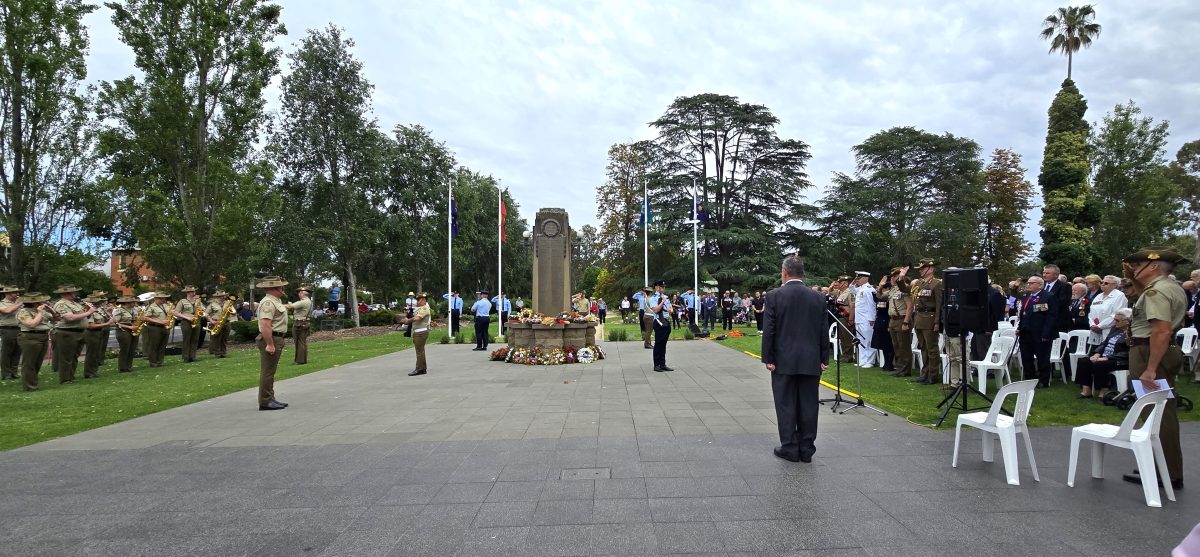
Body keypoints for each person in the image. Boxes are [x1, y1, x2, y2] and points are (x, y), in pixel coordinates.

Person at [1120, 247, 1188, 490]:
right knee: (1158, 412)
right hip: (1155, 351)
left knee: (1157, 413)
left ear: (1154, 266)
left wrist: (1150, 368)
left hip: (1149, 352)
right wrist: (1134, 277)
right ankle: (1161, 465)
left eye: (1138, 266)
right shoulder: (1167, 287)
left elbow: (1161, 330)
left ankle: (1168, 472)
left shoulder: (1156, 291)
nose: (1133, 270)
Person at [761, 254, 828, 463]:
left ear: (784, 272)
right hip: (811, 359)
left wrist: (768, 358)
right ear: (802, 274)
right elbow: (823, 331)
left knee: (785, 403)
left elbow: (769, 330)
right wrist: (823, 357)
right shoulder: (818, 297)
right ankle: (807, 448)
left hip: (784, 359)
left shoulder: (774, 296)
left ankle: (790, 446)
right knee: (809, 404)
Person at [1075, 308, 1130, 399]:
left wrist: (1108, 357)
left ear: (1127, 321)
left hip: (1119, 360)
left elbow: (1127, 352)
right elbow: (1104, 343)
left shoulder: (1131, 333)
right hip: (1104, 356)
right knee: (1083, 361)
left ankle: (1104, 390)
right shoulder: (1115, 329)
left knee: (1100, 364)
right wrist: (1097, 353)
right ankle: (1086, 389)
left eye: (1117, 320)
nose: (1114, 322)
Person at [1016, 276, 1058, 388]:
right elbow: (1023, 314)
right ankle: (1030, 378)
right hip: (1026, 332)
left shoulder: (1048, 296)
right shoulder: (1026, 296)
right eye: (1028, 282)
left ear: (1039, 285)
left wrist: (1046, 333)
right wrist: (1020, 328)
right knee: (1026, 357)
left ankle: (1043, 380)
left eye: (1031, 283)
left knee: (1042, 358)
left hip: (1040, 333)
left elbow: (1051, 316)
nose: (1028, 285)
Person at [255, 276, 290, 411]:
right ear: (273, 288)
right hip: (271, 338)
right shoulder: (268, 302)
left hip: (276, 338)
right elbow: (265, 324)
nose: (283, 289)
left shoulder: (276, 301)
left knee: (270, 371)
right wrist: (269, 344)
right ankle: (265, 401)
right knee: (268, 372)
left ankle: (270, 398)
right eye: (281, 287)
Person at [906, 261, 942, 384]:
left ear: (931, 269)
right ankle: (925, 373)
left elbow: (939, 305)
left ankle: (933, 375)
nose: (920, 271)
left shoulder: (937, 284)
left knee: (932, 349)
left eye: (923, 268)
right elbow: (905, 289)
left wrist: (937, 321)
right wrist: (901, 278)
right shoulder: (919, 283)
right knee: (923, 348)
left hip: (930, 318)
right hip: (919, 318)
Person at [52, 284, 94, 384]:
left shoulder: (76, 304)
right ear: (66, 294)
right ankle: (65, 379)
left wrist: (89, 311)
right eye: (73, 292)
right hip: (68, 332)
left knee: (74, 356)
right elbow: (69, 318)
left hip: (78, 332)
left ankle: (71, 376)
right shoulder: (61, 304)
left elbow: (82, 317)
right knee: (66, 357)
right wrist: (89, 312)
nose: (75, 294)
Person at [17, 292, 55, 391]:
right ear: (35, 302)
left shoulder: (41, 310)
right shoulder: (24, 312)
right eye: (41, 300)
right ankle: (29, 386)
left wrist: (51, 310)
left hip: (43, 336)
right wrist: (39, 312)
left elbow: (57, 318)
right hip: (30, 337)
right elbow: (32, 324)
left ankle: (32, 382)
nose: (43, 302)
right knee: (29, 363)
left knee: (37, 362)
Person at [1087, 274, 1127, 346]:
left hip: (1109, 331)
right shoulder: (1098, 296)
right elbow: (1090, 313)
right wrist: (1092, 325)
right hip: (1095, 331)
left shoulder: (1119, 296)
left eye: (1106, 283)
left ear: (1115, 285)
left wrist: (1100, 326)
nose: (1102, 284)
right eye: (1102, 282)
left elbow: (1116, 315)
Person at [82, 291, 115, 378]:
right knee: (91, 353)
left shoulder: (99, 309)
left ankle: (94, 371)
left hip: (99, 332)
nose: (101, 302)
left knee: (97, 352)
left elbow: (105, 318)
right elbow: (90, 325)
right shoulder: (89, 310)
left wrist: (109, 314)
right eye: (99, 301)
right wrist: (106, 324)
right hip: (92, 333)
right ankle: (88, 372)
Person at [400, 292, 432, 376]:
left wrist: (408, 320)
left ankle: (418, 369)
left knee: (419, 351)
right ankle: (423, 368)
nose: (417, 301)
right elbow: (413, 315)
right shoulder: (420, 308)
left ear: (424, 300)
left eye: (419, 299)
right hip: (418, 332)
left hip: (421, 332)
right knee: (421, 351)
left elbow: (418, 318)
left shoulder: (425, 308)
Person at [850, 272, 876, 368]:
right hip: (859, 319)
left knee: (868, 340)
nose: (857, 280)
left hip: (867, 319)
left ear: (865, 278)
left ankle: (869, 361)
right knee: (860, 340)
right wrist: (853, 282)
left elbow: (871, 305)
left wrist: (871, 318)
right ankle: (862, 360)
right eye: (857, 278)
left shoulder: (869, 289)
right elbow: (851, 289)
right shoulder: (860, 289)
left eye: (859, 278)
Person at [140, 292, 172, 367]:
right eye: (162, 298)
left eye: (164, 298)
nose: (164, 299)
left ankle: (160, 361)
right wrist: (160, 322)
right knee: (154, 345)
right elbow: (146, 318)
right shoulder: (151, 306)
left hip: (165, 327)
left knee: (162, 345)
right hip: (155, 327)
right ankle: (153, 362)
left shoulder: (166, 306)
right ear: (156, 299)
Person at [871, 273, 894, 372]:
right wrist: (880, 287)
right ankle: (885, 363)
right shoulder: (882, 295)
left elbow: (880, 299)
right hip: (880, 321)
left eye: (884, 288)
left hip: (887, 320)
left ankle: (889, 364)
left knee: (888, 344)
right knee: (882, 344)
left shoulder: (889, 295)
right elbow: (877, 298)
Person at [648, 280, 673, 372]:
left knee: (664, 344)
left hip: (666, 321)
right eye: (662, 287)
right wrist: (662, 301)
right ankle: (656, 365)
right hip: (658, 322)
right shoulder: (653, 298)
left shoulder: (666, 297)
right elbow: (656, 310)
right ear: (657, 288)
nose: (663, 288)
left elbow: (670, 308)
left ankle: (663, 364)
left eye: (664, 287)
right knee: (658, 344)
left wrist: (670, 309)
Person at [0, 285, 23, 380]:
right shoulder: (2, 303)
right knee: (7, 352)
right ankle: (6, 374)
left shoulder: (19, 303)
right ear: (7, 293)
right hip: (7, 329)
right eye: (15, 292)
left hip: (19, 328)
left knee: (17, 351)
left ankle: (14, 372)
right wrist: (19, 303)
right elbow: (8, 310)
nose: (17, 294)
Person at [172, 286, 201, 363]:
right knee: (187, 340)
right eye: (192, 292)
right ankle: (186, 357)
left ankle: (193, 356)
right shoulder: (182, 301)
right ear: (187, 293)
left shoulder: (197, 301)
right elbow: (176, 312)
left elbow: (203, 310)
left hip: (196, 321)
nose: (194, 293)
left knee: (195, 339)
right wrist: (187, 318)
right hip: (186, 322)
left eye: (194, 291)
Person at [286, 285, 314, 365]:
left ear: (302, 293)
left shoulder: (303, 302)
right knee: (302, 342)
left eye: (299, 292)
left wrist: (278, 305)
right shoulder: (309, 301)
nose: (298, 294)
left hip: (299, 323)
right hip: (304, 322)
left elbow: (290, 306)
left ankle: (300, 360)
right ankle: (302, 359)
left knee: (299, 342)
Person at [1042, 264, 1072, 334]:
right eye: (1043, 273)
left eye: (1047, 273)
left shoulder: (1065, 286)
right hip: (1042, 322)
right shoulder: (1041, 285)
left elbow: (1059, 304)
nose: (1044, 275)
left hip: (1057, 323)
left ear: (1056, 275)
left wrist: (1038, 308)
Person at [112, 296, 138, 372]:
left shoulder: (134, 310)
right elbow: (115, 323)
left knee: (132, 348)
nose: (134, 303)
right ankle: (122, 367)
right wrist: (129, 327)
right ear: (127, 303)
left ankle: (129, 366)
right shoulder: (119, 310)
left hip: (133, 330)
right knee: (125, 349)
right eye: (132, 302)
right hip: (123, 331)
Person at [205, 291, 232, 358]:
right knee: (217, 339)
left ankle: (223, 352)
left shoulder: (228, 303)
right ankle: (217, 353)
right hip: (216, 322)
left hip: (226, 322)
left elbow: (233, 312)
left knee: (224, 338)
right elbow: (205, 313)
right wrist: (211, 321)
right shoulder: (212, 304)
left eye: (224, 295)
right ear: (217, 297)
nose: (223, 297)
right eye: (222, 296)